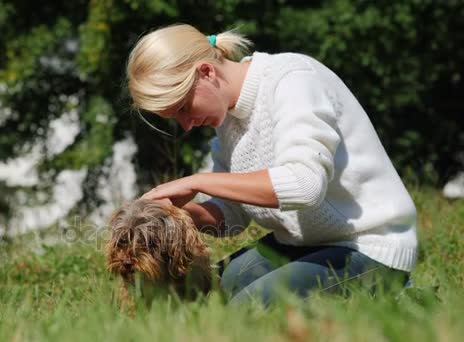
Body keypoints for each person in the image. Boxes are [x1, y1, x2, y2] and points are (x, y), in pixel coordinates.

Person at [129, 24, 417, 305]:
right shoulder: (226, 116)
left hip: (368, 247)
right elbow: (232, 214)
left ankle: (398, 292)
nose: (187, 125)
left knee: (247, 309)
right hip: (299, 245)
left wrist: (195, 182)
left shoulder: (294, 80)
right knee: (201, 295)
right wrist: (174, 216)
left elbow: (305, 186)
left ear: (206, 73)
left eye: (184, 108)